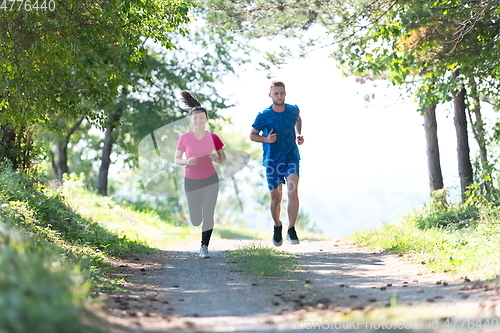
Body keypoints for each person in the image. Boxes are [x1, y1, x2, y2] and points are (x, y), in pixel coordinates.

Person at [250, 80, 304, 246]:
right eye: (276, 93)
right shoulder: (263, 115)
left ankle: (292, 229)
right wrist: (266, 139)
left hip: (291, 158)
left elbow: (298, 119)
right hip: (272, 161)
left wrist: (299, 134)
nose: (279, 96)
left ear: (285, 93)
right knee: (276, 198)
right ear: (270, 95)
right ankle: (277, 226)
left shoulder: (293, 110)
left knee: (292, 193)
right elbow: (252, 135)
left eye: (282, 93)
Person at [174, 91, 226, 258]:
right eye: (195, 118)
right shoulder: (184, 138)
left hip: (211, 179)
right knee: (196, 220)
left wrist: (216, 158)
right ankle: (197, 222)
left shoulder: (213, 137)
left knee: (208, 213)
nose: (198, 121)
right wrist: (187, 162)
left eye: (201, 118)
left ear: (206, 120)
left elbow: (223, 158)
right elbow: (176, 159)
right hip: (191, 180)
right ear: (191, 120)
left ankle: (204, 246)